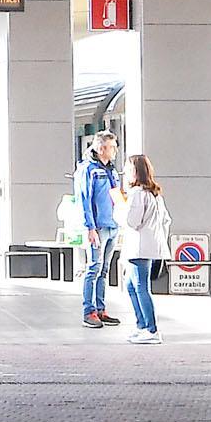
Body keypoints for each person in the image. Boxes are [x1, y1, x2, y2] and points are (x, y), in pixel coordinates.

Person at [117, 153, 170, 344]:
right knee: (132, 285)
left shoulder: (138, 195)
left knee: (140, 287)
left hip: (139, 247)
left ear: (135, 172)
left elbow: (132, 221)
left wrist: (119, 207)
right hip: (149, 246)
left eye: (128, 169)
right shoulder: (154, 194)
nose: (125, 173)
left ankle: (151, 328)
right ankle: (141, 325)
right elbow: (166, 220)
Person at [75, 132, 121, 328]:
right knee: (93, 268)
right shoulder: (88, 170)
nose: (115, 150)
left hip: (112, 225)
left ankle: (101, 309)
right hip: (98, 227)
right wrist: (90, 227)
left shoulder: (112, 170)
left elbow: (117, 196)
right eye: (112, 147)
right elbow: (85, 199)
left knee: (104, 269)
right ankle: (89, 310)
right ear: (102, 148)